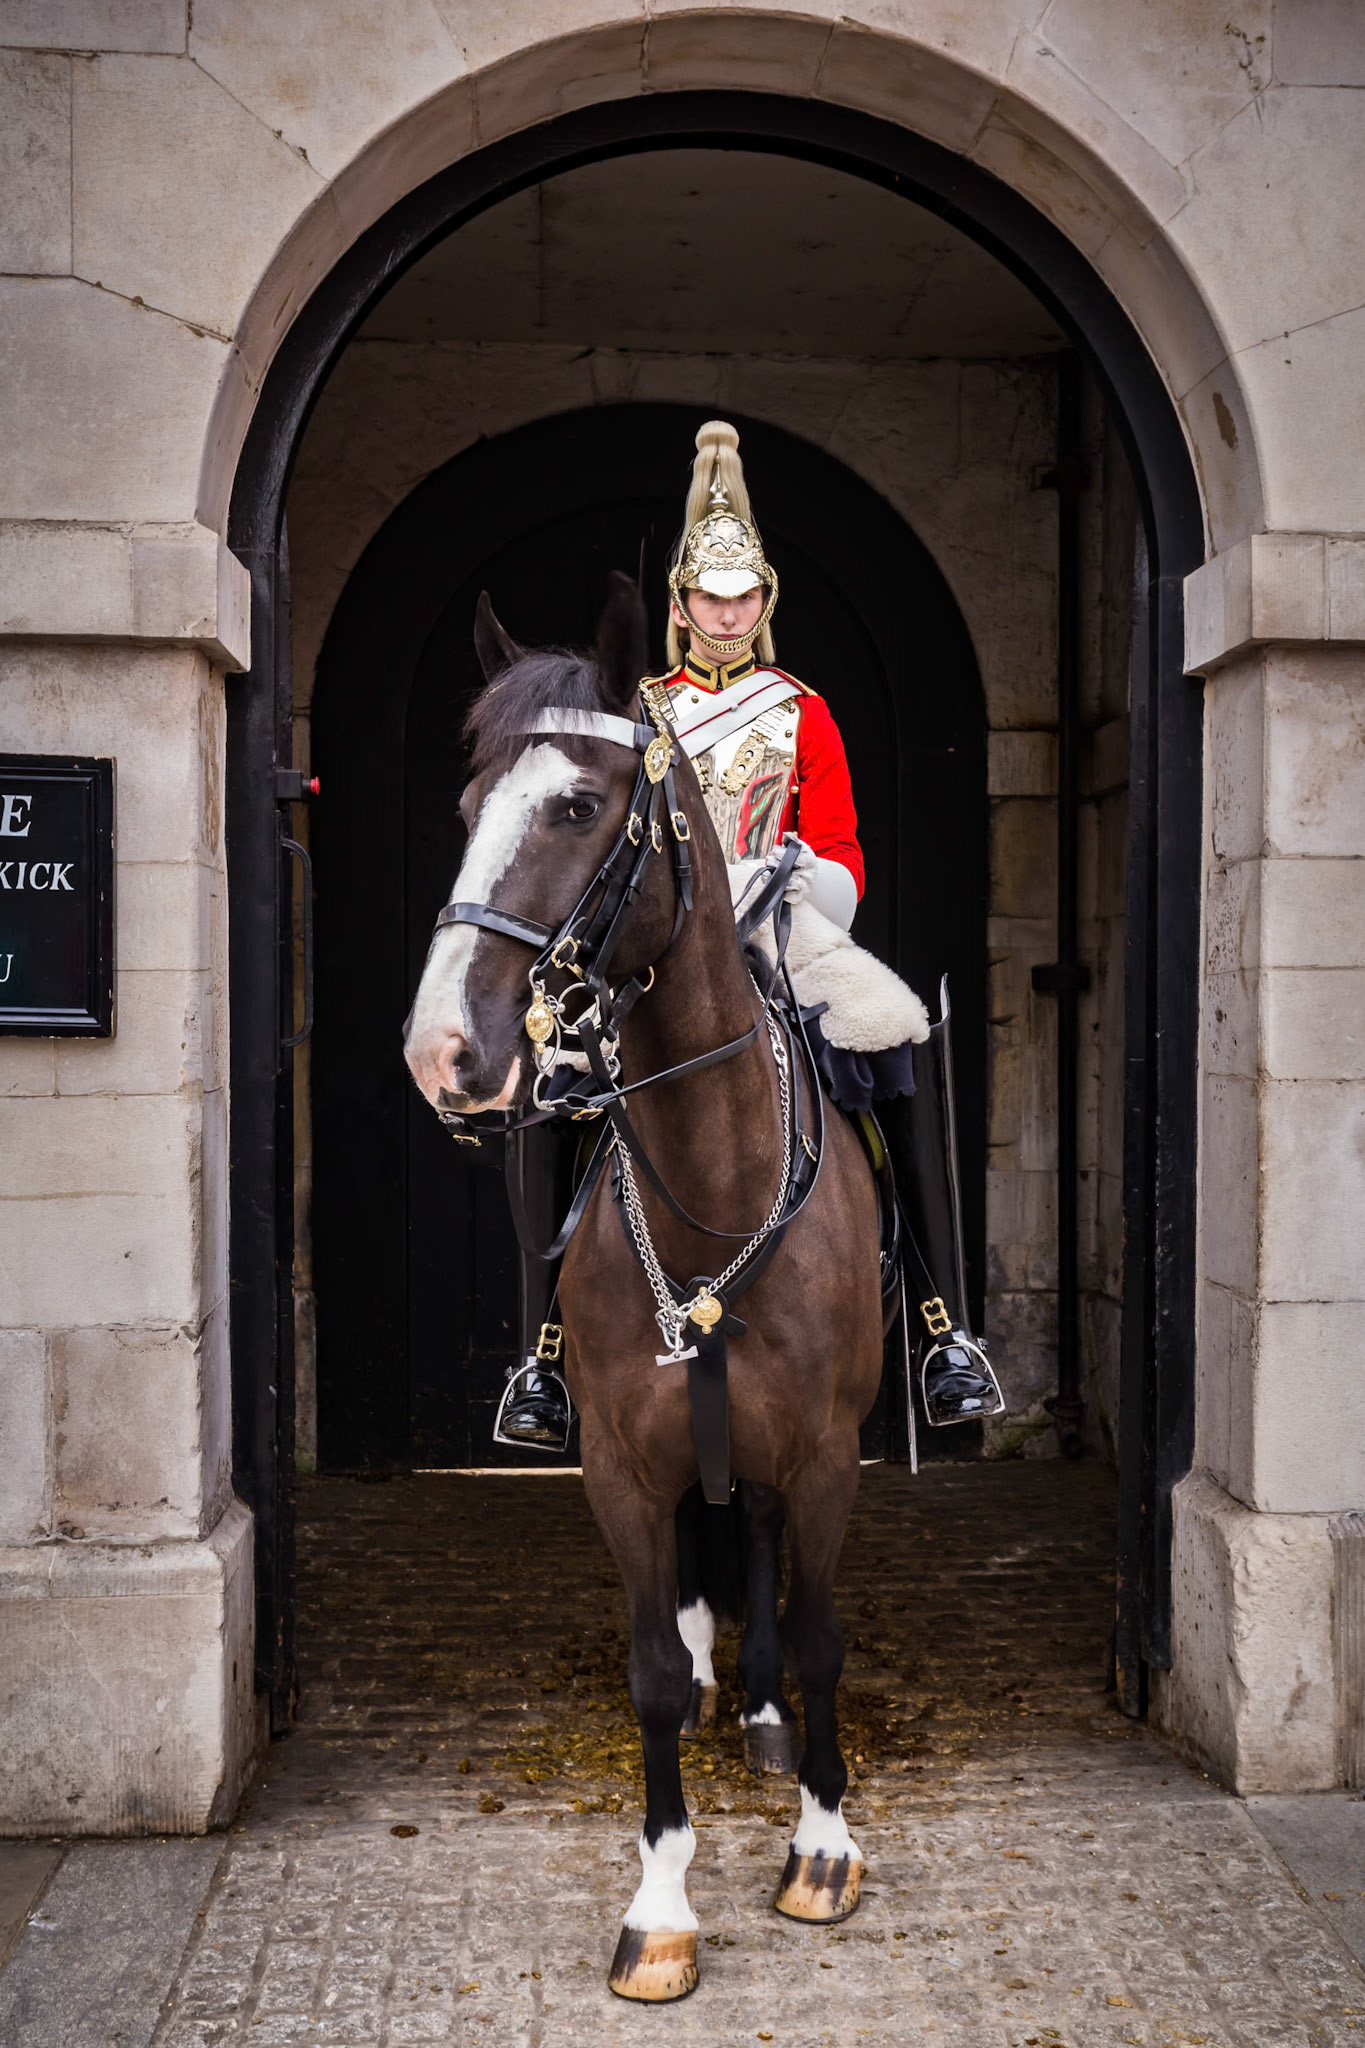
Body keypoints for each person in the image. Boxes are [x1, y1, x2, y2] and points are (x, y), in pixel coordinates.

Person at [495, 420, 1002, 1450]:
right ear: (679, 608)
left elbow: (847, 851)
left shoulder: (804, 712)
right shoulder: (640, 711)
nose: (726, 616)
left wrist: (792, 874)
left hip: (785, 928)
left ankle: (943, 1332)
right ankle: (543, 1351)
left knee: (890, 1027)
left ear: (764, 603)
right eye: (708, 599)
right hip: (654, 936)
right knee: (557, 1060)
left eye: (744, 598)